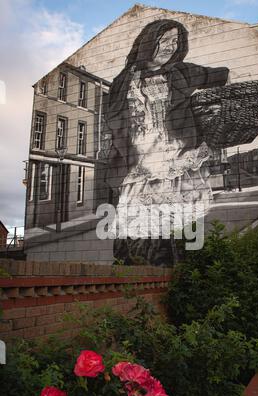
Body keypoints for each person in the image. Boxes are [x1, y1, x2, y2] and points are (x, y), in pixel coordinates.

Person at [100, 19, 229, 264]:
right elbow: (114, 120)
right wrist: (128, 153)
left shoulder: (181, 71)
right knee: (138, 228)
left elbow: (217, 75)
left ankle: (175, 273)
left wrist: (239, 78)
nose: (171, 46)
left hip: (176, 158)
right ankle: (138, 272)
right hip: (139, 164)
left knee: (176, 227)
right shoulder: (123, 81)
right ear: (150, 42)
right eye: (166, 40)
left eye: (175, 41)